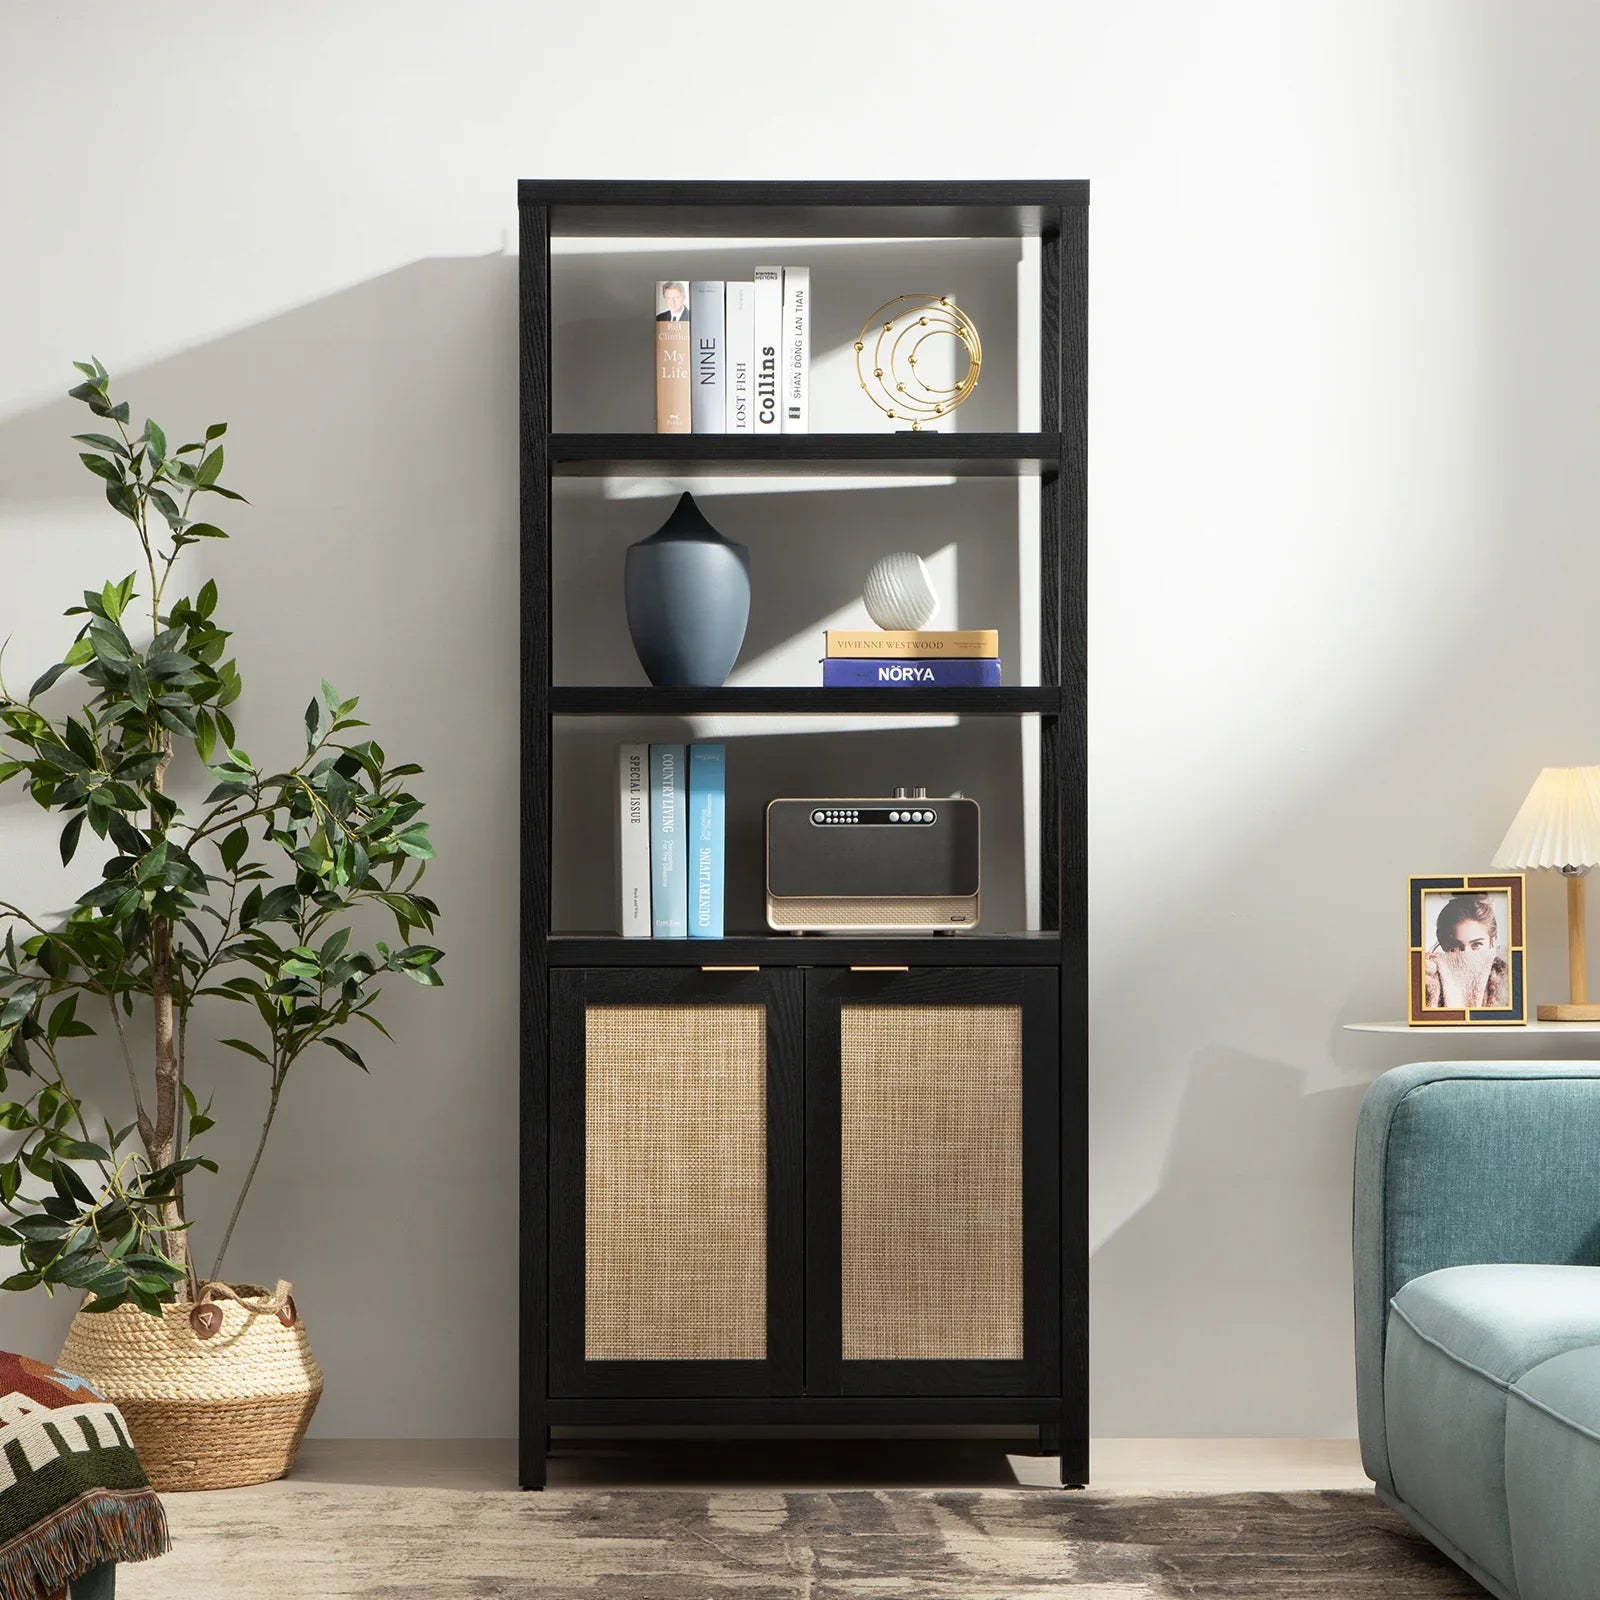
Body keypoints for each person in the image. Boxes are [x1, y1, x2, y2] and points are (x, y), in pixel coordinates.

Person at [1424, 892, 1509, 1008]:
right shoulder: (1428, 979)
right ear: (1444, 946)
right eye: (1455, 947)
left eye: (1477, 945)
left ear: (1492, 941)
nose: (1466, 955)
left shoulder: (1508, 980)